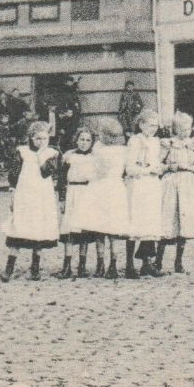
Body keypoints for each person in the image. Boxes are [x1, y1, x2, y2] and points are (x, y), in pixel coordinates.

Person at [0, 121, 60, 282]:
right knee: (19, 226)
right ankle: (9, 267)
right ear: (31, 138)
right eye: (38, 138)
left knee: (39, 228)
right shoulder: (22, 152)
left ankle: (35, 267)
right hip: (25, 195)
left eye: (45, 139)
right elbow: (14, 174)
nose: (41, 142)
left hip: (42, 196)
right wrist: (12, 193)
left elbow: (47, 172)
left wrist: (41, 156)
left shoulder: (52, 154)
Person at [81, 117, 131, 279]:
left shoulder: (98, 149)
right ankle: (113, 265)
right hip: (116, 188)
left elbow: (97, 171)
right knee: (113, 230)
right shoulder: (123, 150)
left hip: (100, 188)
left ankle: (100, 264)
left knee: (100, 230)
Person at [159, 112, 194, 275]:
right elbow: (157, 164)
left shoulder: (193, 145)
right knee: (167, 220)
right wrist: (167, 167)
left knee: (184, 222)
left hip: (188, 185)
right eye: (182, 129)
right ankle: (158, 260)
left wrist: (188, 167)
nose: (186, 132)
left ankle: (178, 261)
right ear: (175, 129)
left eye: (188, 128)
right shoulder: (168, 144)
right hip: (171, 184)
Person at [125, 111, 166, 278]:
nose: (153, 129)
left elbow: (156, 161)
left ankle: (146, 263)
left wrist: (159, 168)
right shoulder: (135, 141)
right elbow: (130, 168)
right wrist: (149, 169)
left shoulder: (156, 142)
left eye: (156, 126)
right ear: (141, 124)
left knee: (150, 223)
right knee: (135, 224)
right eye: (150, 125)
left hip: (152, 185)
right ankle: (129, 265)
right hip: (138, 185)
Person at [55, 128, 99, 279]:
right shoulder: (69, 156)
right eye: (82, 139)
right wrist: (62, 199)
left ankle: (82, 266)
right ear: (76, 140)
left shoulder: (95, 157)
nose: (84, 143)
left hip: (87, 194)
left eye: (88, 140)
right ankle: (66, 266)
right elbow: (61, 179)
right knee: (70, 229)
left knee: (84, 230)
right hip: (72, 192)